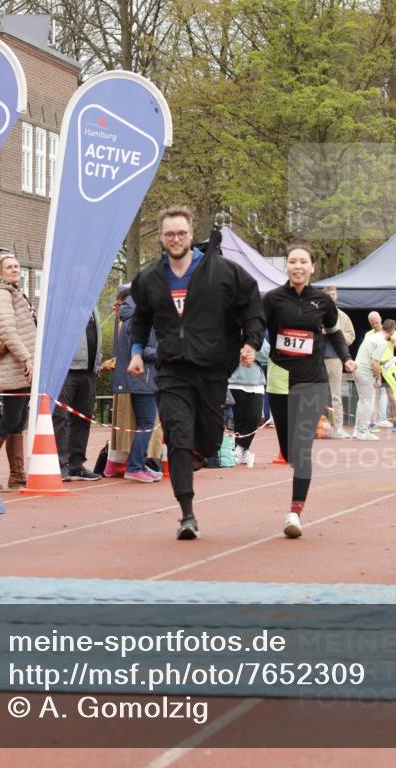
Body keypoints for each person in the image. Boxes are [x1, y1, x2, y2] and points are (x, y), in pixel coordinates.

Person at [129, 206, 265, 541]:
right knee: (177, 435)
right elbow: (141, 318)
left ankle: (199, 452)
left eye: (181, 233)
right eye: (169, 234)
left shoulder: (221, 271)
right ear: (161, 237)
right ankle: (187, 514)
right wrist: (135, 352)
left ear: (191, 236)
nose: (175, 239)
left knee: (207, 440)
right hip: (172, 368)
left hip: (212, 369)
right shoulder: (149, 278)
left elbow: (250, 306)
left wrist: (251, 342)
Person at [263, 244, 357, 539]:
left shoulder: (323, 302)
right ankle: (295, 468)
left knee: (303, 449)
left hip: (313, 380)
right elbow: (254, 327)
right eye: (292, 261)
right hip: (279, 378)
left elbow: (335, 333)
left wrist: (346, 358)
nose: (298, 266)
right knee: (290, 450)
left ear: (312, 267)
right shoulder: (273, 299)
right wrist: (249, 346)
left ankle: (294, 512)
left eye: (303, 261)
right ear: (287, 267)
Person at [0, 255, 36, 491]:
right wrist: (26, 357)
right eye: (9, 267)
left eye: (17, 266)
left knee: (18, 420)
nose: (15, 269)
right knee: (11, 419)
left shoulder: (13, 292)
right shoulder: (2, 294)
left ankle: (17, 475)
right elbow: (7, 330)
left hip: (20, 366)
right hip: (14, 365)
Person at [109, 290, 161, 483]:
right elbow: (138, 350)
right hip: (141, 378)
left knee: (146, 423)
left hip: (143, 377)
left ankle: (138, 464)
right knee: (146, 423)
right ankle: (135, 466)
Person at [53, 311, 103, 482]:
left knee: (84, 418)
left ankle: (76, 464)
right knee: (60, 416)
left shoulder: (93, 305)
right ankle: (59, 464)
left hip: (89, 371)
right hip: (67, 369)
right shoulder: (67, 302)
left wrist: (98, 361)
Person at [352, 319, 396, 440]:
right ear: (392, 330)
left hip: (357, 368)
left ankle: (357, 430)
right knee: (368, 402)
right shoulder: (382, 342)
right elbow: (374, 363)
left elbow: (372, 359)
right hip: (365, 372)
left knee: (362, 401)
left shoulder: (372, 337)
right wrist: (378, 378)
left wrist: (382, 362)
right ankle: (363, 431)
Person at [228, 339, 269, 465]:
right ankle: (241, 451)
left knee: (254, 418)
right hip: (235, 382)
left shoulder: (256, 335)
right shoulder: (231, 333)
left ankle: (239, 449)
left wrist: (250, 350)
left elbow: (266, 354)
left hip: (256, 382)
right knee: (239, 420)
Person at [322, 285, 355, 438]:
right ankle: (317, 427)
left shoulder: (343, 316)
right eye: (329, 294)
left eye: (334, 294)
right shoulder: (316, 314)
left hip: (335, 357)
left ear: (337, 296)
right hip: (317, 357)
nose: (332, 296)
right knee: (316, 393)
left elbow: (351, 336)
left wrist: (337, 335)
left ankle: (339, 428)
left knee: (336, 394)